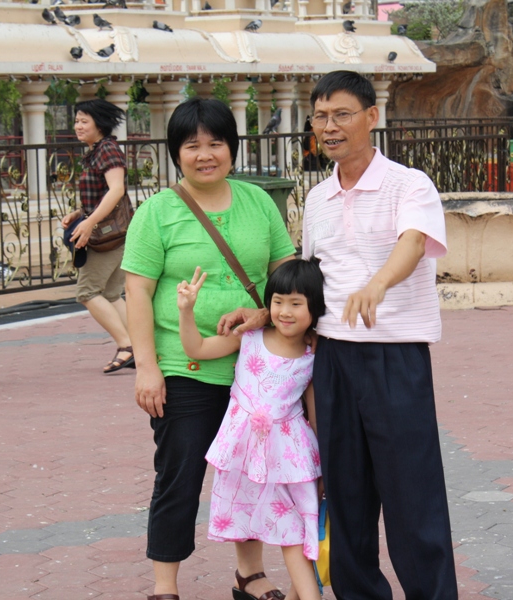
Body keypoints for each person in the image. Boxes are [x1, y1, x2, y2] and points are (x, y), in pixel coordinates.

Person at [220, 70, 458, 599]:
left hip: (394, 358)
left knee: (410, 496)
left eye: (342, 115)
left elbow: (414, 241)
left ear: (372, 118)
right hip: (329, 362)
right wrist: (266, 314)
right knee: (345, 495)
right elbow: (308, 281)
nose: (329, 127)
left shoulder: (408, 183)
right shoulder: (319, 198)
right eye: (321, 116)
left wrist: (378, 283)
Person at [122, 96, 297, 600]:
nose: (205, 154)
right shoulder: (157, 212)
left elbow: (284, 276)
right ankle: (165, 585)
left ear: (232, 148)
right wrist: (147, 369)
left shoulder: (258, 202)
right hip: (184, 367)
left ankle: (250, 573)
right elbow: (136, 292)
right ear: (176, 152)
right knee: (180, 475)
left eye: (215, 143)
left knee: (251, 473)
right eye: (192, 145)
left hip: (255, 369)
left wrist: (264, 314)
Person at [177, 260, 325, 600]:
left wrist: (321, 469)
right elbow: (196, 349)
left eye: (296, 303)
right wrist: (187, 311)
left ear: (314, 308)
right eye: (278, 302)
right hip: (244, 454)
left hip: (288, 457)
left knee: (293, 530)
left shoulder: (313, 354)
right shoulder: (250, 338)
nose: (285, 312)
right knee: (289, 529)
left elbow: (315, 417)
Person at [61, 99, 134, 373]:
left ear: (99, 124)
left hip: (107, 235)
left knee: (88, 291)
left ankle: (126, 345)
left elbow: (116, 190)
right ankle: (137, 346)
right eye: (77, 120)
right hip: (111, 231)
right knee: (113, 293)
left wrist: (89, 222)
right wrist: (79, 213)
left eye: (84, 121)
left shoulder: (107, 150)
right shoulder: (96, 151)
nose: (78, 126)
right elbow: (103, 194)